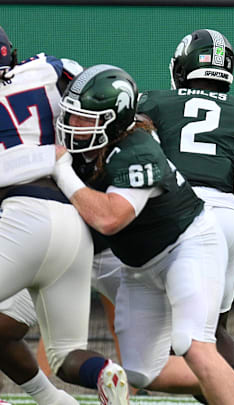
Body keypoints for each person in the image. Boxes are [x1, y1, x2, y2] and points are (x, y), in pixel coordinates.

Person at [50, 64, 234, 405]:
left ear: (115, 119)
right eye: (72, 116)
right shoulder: (89, 144)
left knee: (193, 344)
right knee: (142, 373)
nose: (74, 126)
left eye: (85, 119)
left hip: (188, 246)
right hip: (140, 268)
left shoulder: (138, 150)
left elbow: (111, 218)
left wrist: (62, 172)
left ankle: (229, 388)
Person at [137, 28, 234, 405]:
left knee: (180, 333)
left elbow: (139, 156)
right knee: (213, 329)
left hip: (173, 209)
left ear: (181, 68)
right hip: (226, 216)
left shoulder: (154, 102)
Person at [0, 27, 129, 405]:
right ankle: (101, 375)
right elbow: (97, 94)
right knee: (66, 354)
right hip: (75, 223)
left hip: (21, 217)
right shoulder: (52, 70)